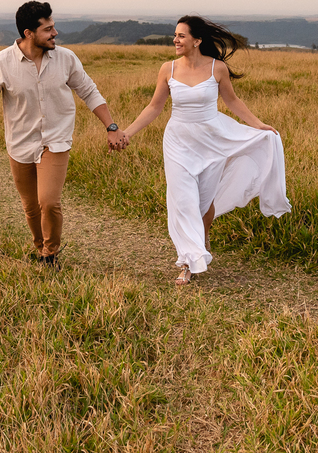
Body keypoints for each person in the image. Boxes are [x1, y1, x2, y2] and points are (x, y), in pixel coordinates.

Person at [122, 15, 290, 285]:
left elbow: (232, 101)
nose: (175, 40)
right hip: (178, 141)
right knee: (183, 200)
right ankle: (188, 261)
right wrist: (127, 132)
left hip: (211, 141)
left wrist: (258, 125)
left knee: (203, 201)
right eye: (175, 35)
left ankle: (202, 238)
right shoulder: (167, 69)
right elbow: (154, 107)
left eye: (181, 36)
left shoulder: (217, 68)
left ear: (197, 41)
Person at [0, 1, 127, 268]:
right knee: (31, 207)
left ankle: (50, 253)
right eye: (48, 29)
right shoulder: (0, 63)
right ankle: (40, 248)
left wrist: (111, 127)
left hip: (56, 140)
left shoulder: (66, 58)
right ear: (28, 33)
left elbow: (88, 91)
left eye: (53, 26)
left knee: (48, 202)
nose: (55, 33)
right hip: (20, 143)